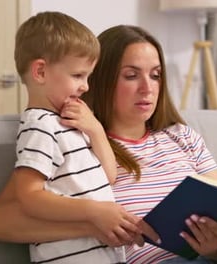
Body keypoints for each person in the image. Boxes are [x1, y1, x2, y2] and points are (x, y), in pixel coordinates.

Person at [0, 24, 217, 264]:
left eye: (155, 75)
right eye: (131, 75)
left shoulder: (181, 136)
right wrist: (98, 223)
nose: (148, 87)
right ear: (102, 78)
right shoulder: (75, 140)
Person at [8, 12, 139, 263]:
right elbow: (29, 196)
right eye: (78, 76)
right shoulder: (39, 126)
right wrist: (94, 213)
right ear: (40, 72)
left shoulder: (68, 122)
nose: (86, 86)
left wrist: (95, 130)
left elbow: (108, 176)